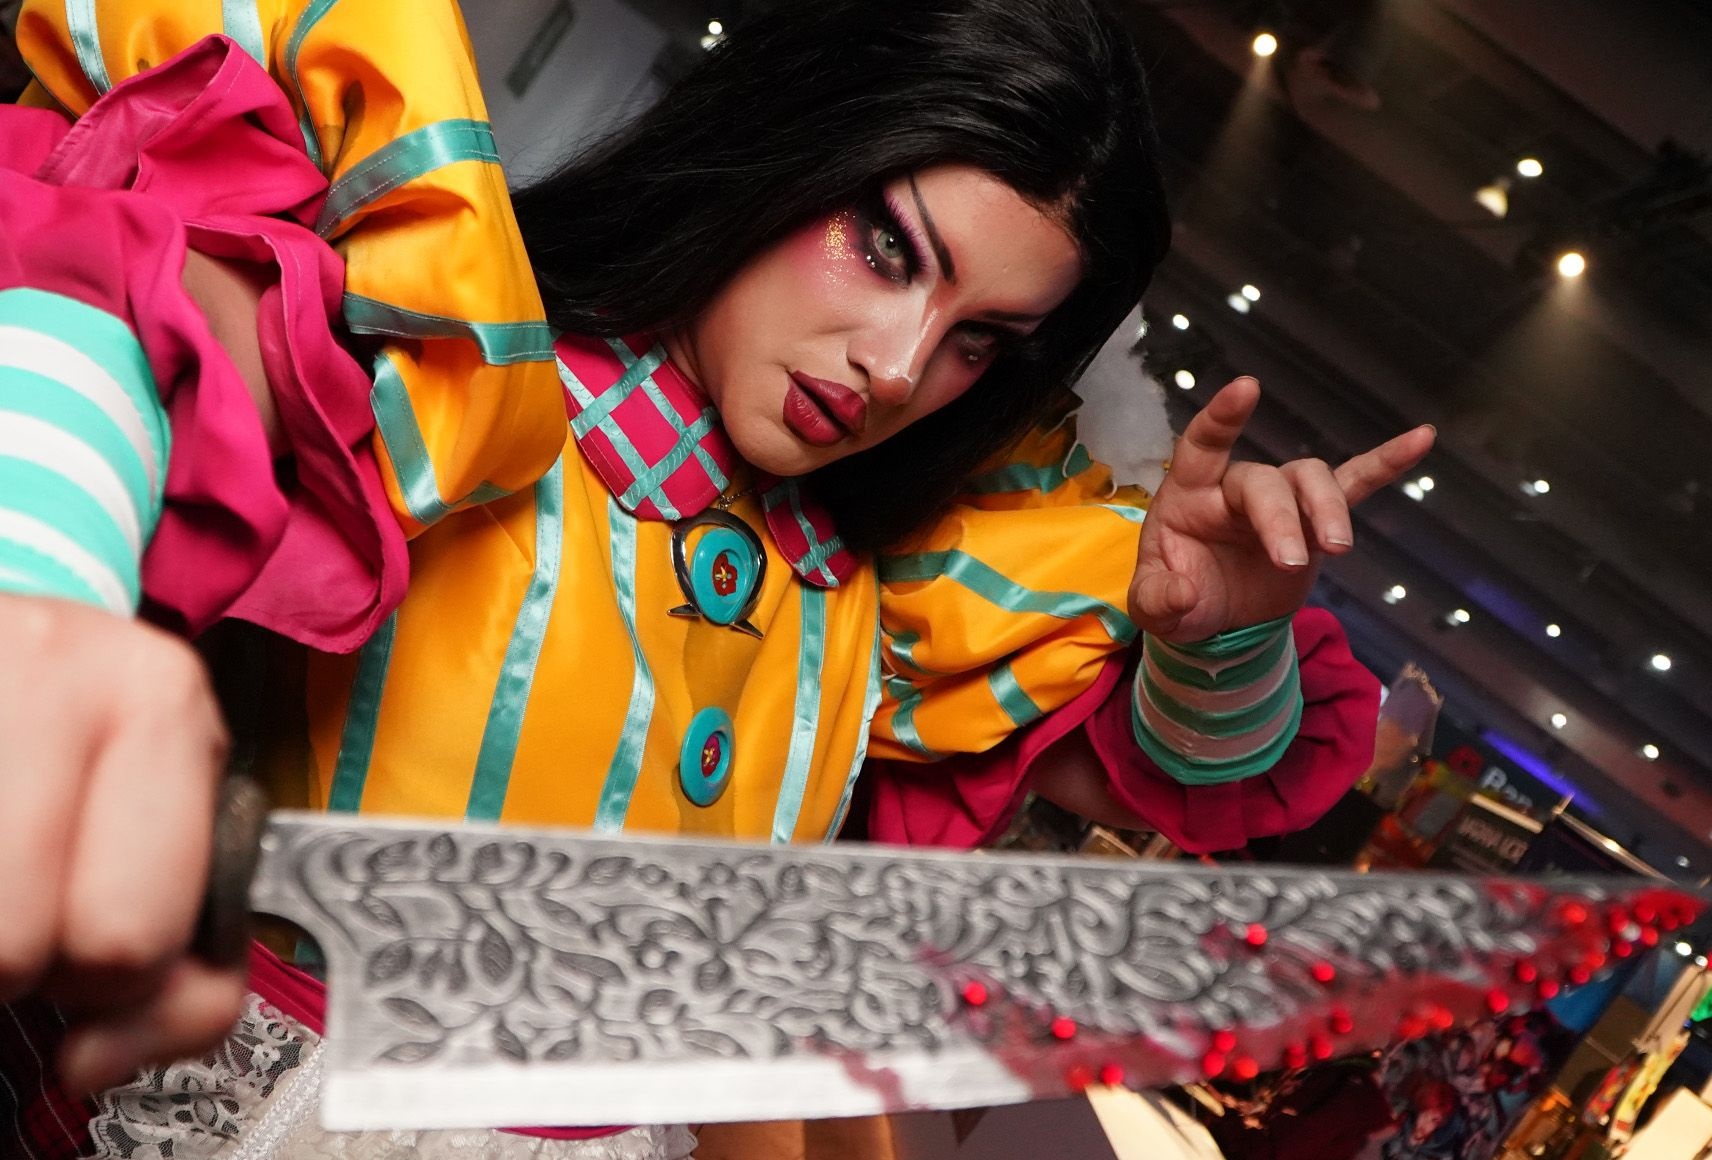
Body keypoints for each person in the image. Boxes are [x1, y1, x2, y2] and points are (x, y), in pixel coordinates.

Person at [0, 0, 1432, 1155]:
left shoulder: (876, 596)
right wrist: (42, 582)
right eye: (887, 247)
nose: (897, 367)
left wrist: (1220, 636)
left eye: (978, 339)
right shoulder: (455, 376)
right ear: (786, 147)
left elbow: (1171, 771)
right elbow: (109, 308)